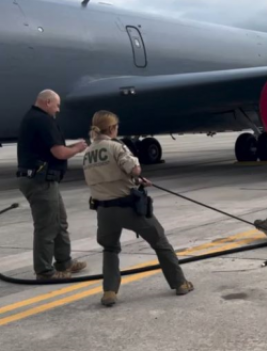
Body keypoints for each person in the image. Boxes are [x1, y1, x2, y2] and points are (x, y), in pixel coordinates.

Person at [82, 110, 193, 307]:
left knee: (110, 249)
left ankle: (109, 292)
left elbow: (105, 176)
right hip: (127, 207)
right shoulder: (116, 147)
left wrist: (134, 180)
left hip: (104, 211)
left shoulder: (89, 152)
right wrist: (136, 171)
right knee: (160, 241)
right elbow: (134, 170)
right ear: (111, 128)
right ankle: (180, 283)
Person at [16, 89, 88, 280]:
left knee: (59, 222)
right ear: (47, 102)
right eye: (56, 106)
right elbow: (59, 153)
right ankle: (45, 272)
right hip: (40, 181)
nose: (57, 110)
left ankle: (65, 263)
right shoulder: (42, 120)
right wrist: (78, 148)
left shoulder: (34, 117)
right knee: (47, 227)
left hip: (45, 180)